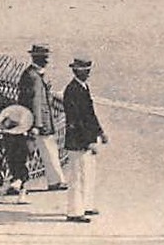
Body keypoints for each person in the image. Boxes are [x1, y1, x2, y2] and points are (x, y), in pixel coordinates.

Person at [62, 56, 107, 222]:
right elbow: (77, 120)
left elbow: (90, 114)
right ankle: (74, 212)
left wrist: (100, 132)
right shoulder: (73, 90)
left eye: (88, 70)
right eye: (85, 71)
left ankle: (85, 206)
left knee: (86, 173)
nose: (88, 73)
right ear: (76, 71)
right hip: (78, 141)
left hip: (84, 139)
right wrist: (88, 141)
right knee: (77, 176)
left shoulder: (83, 87)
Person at [17, 44, 66, 191]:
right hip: (39, 123)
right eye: (44, 57)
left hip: (39, 121)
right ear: (37, 58)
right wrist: (37, 125)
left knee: (46, 150)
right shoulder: (33, 77)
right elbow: (35, 102)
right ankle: (55, 181)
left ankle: (55, 180)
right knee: (47, 150)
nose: (47, 60)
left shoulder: (34, 74)